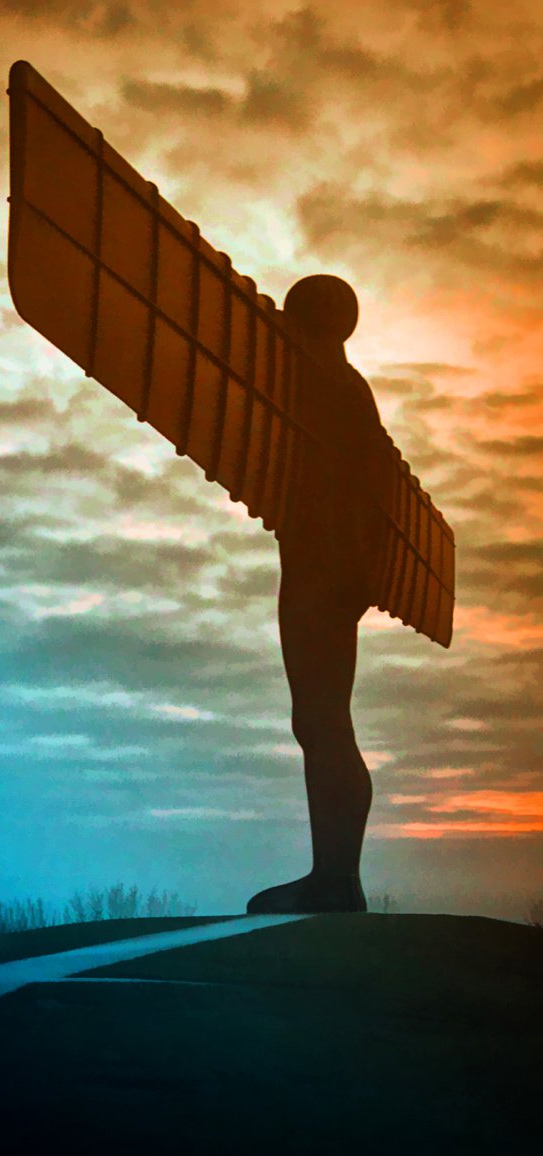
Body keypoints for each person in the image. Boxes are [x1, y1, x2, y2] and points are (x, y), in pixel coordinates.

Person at [247, 276, 384, 915]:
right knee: (324, 719)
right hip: (333, 563)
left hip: (320, 564)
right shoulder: (349, 387)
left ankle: (335, 878)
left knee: (322, 720)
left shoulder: (321, 383)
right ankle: (334, 875)